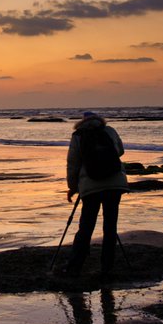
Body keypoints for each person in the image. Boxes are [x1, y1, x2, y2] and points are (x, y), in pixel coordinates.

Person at [63, 112, 129, 277]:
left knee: (86, 227)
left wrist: (72, 187)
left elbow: (73, 163)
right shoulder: (110, 131)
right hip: (115, 184)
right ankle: (107, 267)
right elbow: (120, 151)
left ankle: (74, 268)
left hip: (90, 186)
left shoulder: (78, 135)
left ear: (83, 122)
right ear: (99, 120)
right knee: (110, 226)